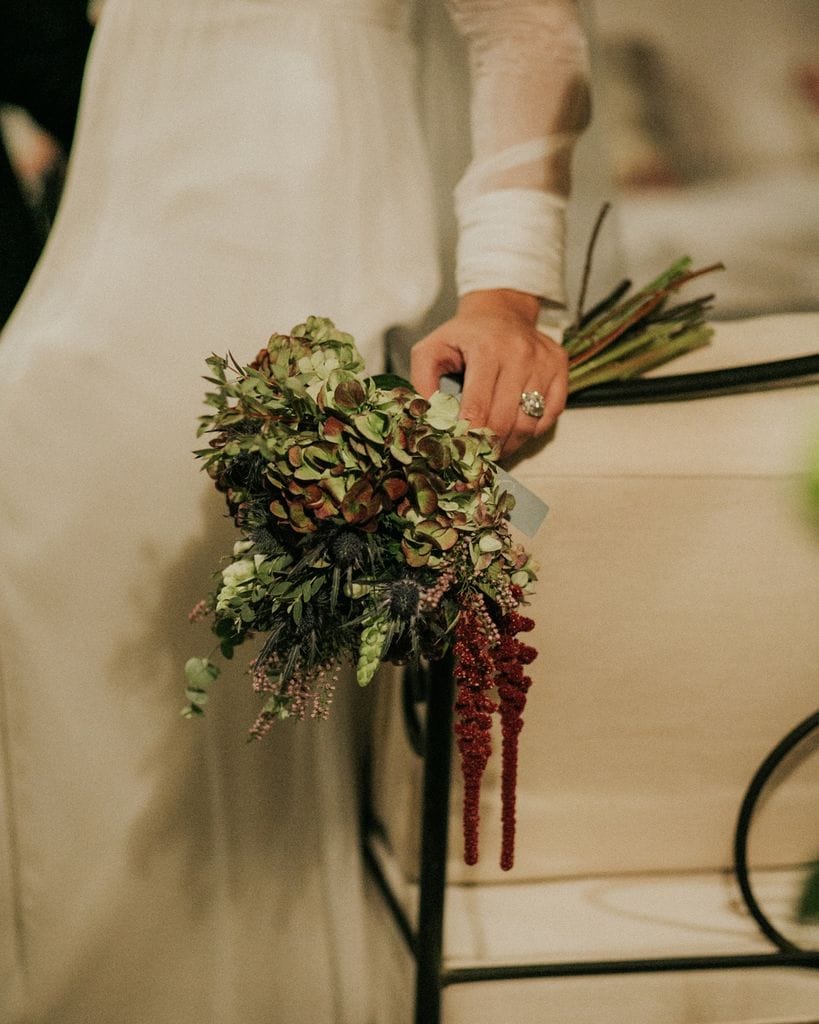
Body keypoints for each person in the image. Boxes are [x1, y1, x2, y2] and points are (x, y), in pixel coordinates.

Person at [0, 1, 590, 1021]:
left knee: (228, 711)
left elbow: (525, 29)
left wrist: (504, 295)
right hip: (90, 285)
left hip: (290, 233)